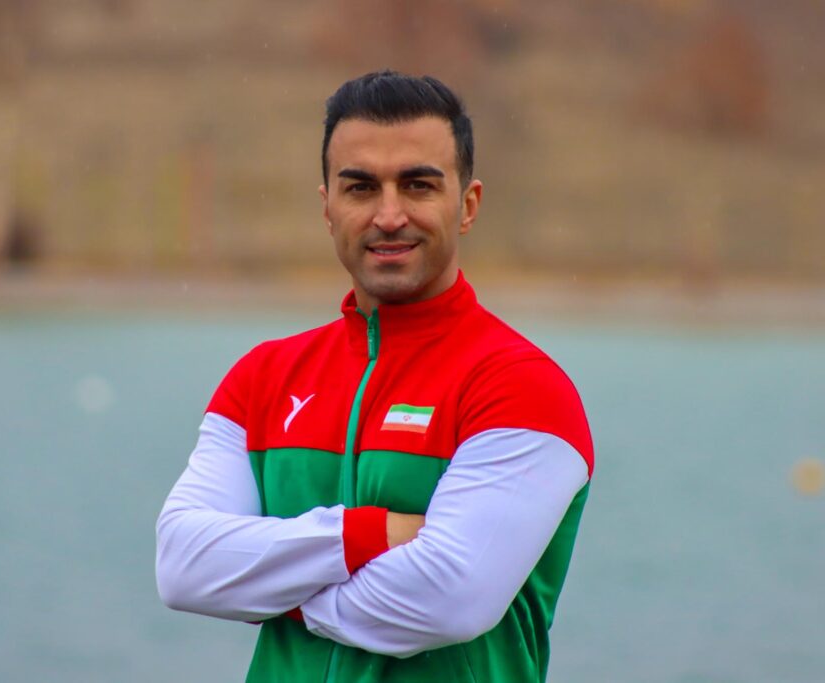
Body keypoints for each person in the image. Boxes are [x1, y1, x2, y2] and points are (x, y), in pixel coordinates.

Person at [155, 70, 594, 683]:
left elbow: (447, 600)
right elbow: (183, 567)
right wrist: (368, 534)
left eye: (418, 186)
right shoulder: (261, 378)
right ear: (328, 208)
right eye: (361, 188)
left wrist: (270, 588)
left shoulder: (522, 387)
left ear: (467, 206)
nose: (389, 216)